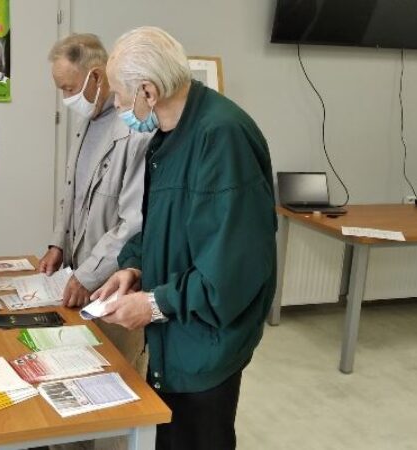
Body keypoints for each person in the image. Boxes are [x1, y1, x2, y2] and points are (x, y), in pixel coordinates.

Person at [94, 27, 277, 450]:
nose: (118, 106)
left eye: (121, 97)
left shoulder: (220, 137)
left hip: (205, 340)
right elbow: (162, 223)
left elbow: (229, 276)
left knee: (197, 437)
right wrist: (133, 267)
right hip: (176, 335)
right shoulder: (172, 132)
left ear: (148, 91)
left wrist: (152, 305)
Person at [37, 34, 151, 376]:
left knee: (115, 374)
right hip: (79, 275)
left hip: (111, 282)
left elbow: (133, 223)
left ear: (97, 76)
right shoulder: (87, 122)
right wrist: (58, 242)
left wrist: (89, 275)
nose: (66, 98)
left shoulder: (135, 130)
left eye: (69, 87)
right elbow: (72, 192)